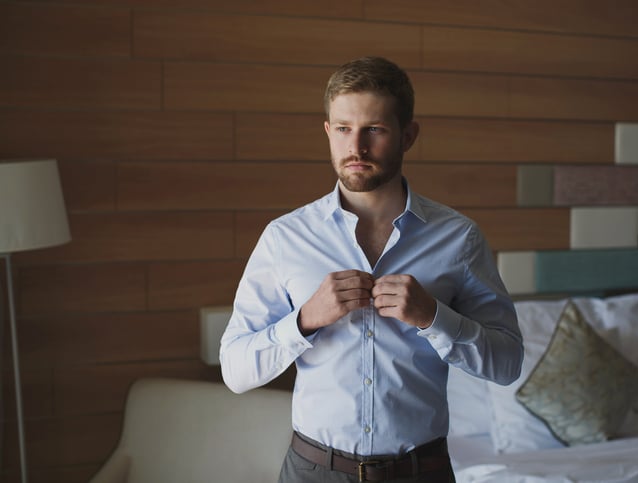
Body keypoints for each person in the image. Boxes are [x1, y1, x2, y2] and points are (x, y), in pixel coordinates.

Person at [220, 56, 523, 483]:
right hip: (313, 472)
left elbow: (507, 363)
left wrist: (434, 317)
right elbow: (234, 370)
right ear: (328, 131)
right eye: (343, 129)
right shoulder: (285, 238)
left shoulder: (459, 239)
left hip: (422, 472)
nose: (356, 148)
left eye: (374, 130)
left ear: (408, 135)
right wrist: (305, 320)